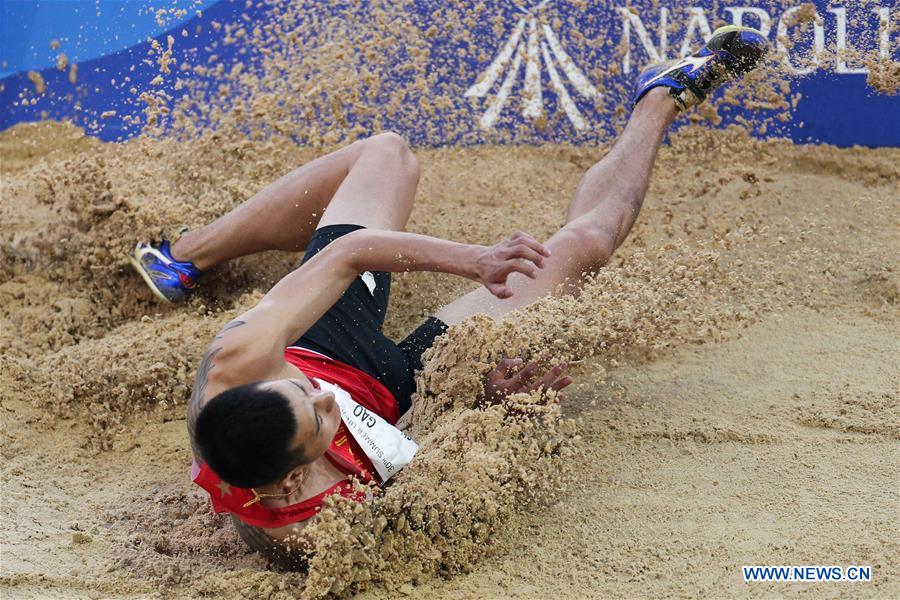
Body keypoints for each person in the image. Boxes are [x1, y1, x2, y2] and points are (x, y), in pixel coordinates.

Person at [130, 26, 768, 561]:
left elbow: (351, 254)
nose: (326, 401)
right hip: (398, 394)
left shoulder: (241, 364)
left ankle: (184, 255)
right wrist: (489, 402)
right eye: (317, 414)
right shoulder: (320, 531)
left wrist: (475, 261)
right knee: (585, 250)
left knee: (387, 154)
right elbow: (438, 462)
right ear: (296, 477)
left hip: (323, 342)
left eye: (298, 391)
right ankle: (661, 95)